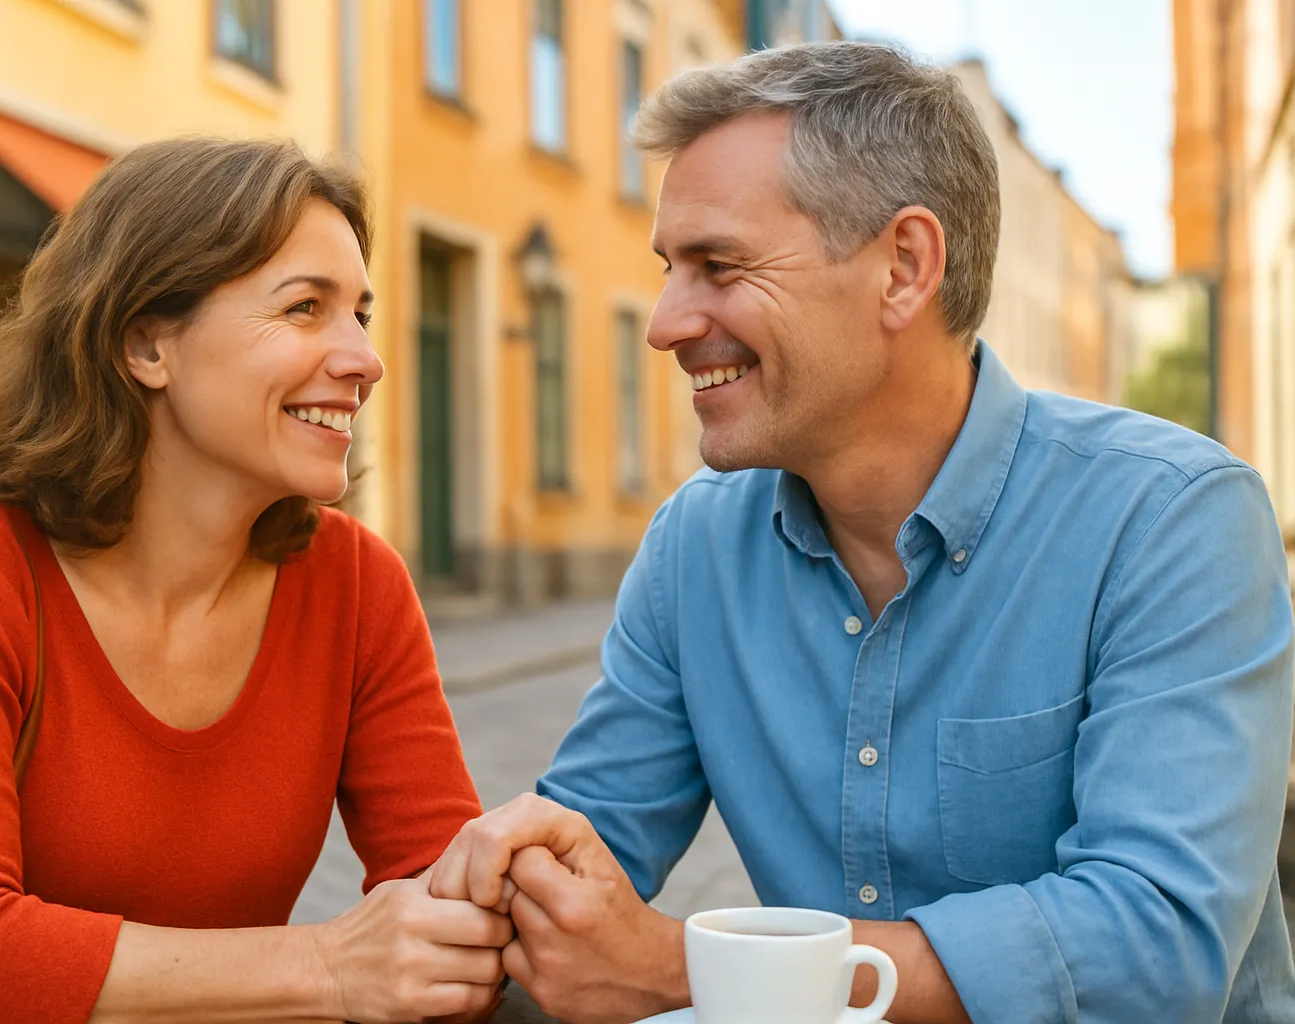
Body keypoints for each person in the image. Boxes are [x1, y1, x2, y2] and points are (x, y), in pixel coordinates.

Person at [429, 41, 1295, 1024]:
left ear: (904, 267)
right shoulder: (695, 550)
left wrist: (704, 970)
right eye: (671, 270)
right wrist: (486, 898)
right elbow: (580, 864)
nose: (667, 322)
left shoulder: (1172, 518)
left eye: (719, 265)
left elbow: (1154, 948)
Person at [0, 138, 510, 1024]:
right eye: (306, 308)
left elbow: (443, 922)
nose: (364, 358)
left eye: (360, 313)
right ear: (145, 343)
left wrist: (506, 883)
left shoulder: (356, 585)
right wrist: (329, 963)